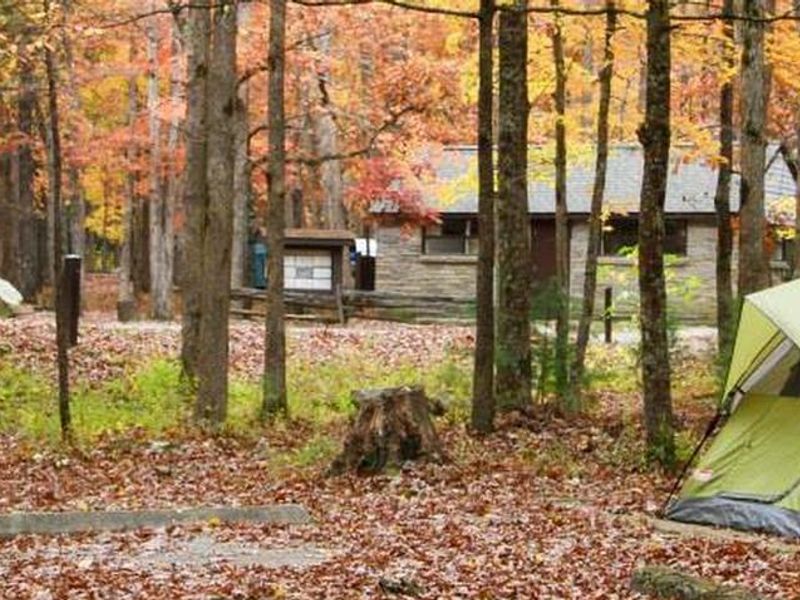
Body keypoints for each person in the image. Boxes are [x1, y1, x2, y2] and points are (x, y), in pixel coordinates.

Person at [250, 225, 268, 289]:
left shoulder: (263, 231)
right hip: (259, 251)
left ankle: (262, 283)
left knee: (262, 268)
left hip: (262, 251)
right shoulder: (256, 231)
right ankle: (260, 283)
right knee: (259, 268)